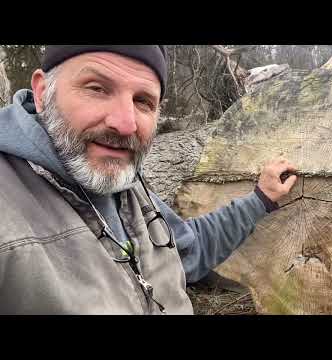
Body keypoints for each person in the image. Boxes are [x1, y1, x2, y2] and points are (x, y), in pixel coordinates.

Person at [0, 45, 297, 314]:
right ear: (41, 93)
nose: (125, 123)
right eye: (97, 88)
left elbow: (189, 252)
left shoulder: (126, 186)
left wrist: (260, 199)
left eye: (143, 101)